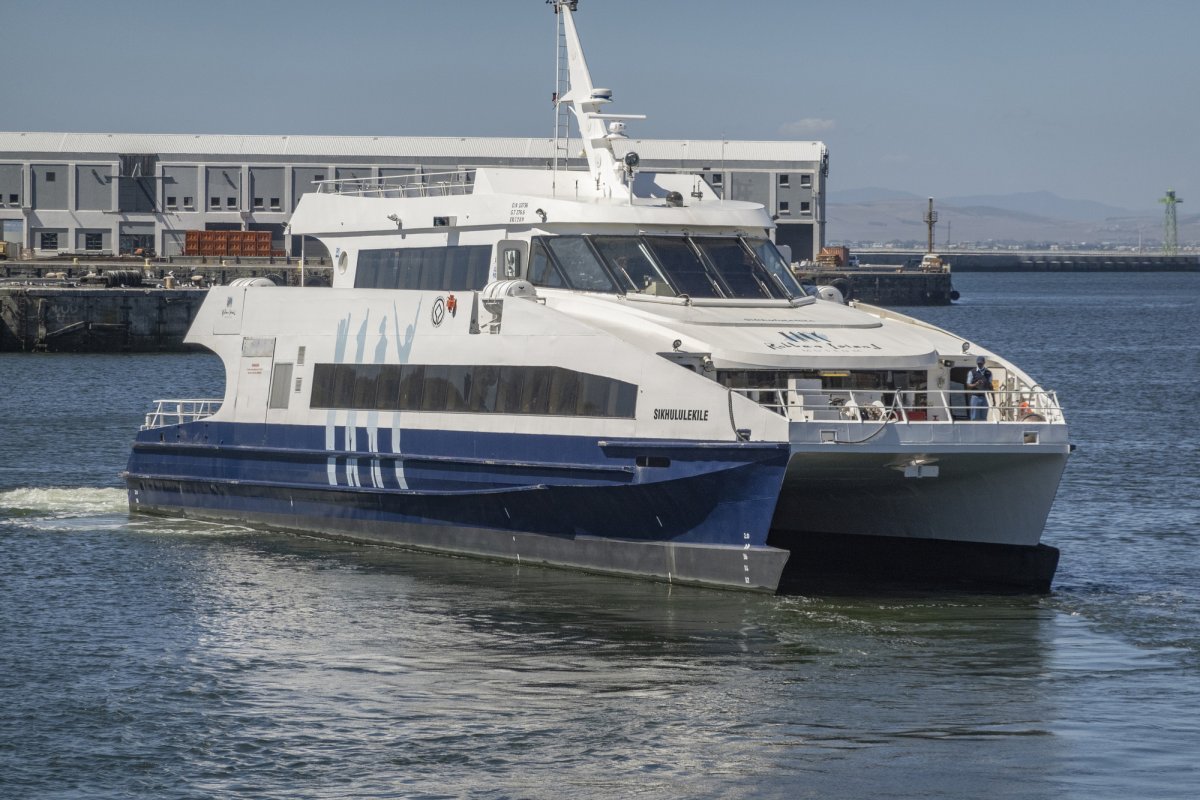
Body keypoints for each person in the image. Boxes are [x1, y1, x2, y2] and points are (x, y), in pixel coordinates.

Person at [967, 356, 992, 421]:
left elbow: (990, 385)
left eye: (981, 363)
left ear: (984, 363)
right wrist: (976, 384)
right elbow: (968, 385)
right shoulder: (972, 372)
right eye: (978, 363)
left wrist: (993, 398)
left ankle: (983, 430)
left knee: (984, 417)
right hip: (975, 396)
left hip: (985, 397)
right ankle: (973, 430)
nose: (979, 364)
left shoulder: (988, 373)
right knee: (974, 417)